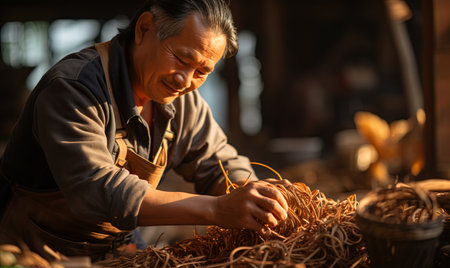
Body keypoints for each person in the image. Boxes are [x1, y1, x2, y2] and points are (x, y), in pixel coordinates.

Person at [0, 0, 290, 261]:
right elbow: (98, 190)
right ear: (144, 29)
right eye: (181, 58)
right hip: (37, 249)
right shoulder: (73, 89)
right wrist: (217, 209)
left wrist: (253, 196)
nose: (185, 80)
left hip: (115, 246)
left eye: (202, 72)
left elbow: (218, 162)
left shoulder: (182, 100)